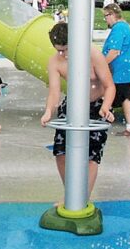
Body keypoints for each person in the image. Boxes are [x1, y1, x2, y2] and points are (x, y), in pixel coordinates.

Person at [40, 22, 116, 198]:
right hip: (72, 105)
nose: (64, 54)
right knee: (61, 153)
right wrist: (48, 111)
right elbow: (54, 92)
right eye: (59, 50)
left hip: (97, 104)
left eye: (66, 49)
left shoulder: (93, 55)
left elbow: (109, 86)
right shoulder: (55, 61)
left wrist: (105, 106)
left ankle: (83, 198)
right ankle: (71, 195)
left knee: (91, 156)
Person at [102, 4, 130, 135]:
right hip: (124, 70)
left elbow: (114, 51)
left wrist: (101, 65)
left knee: (111, 96)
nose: (105, 19)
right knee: (124, 97)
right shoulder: (124, 27)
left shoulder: (118, 28)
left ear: (112, 15)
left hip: (119, 71)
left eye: (106, 16)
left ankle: (103, 123)